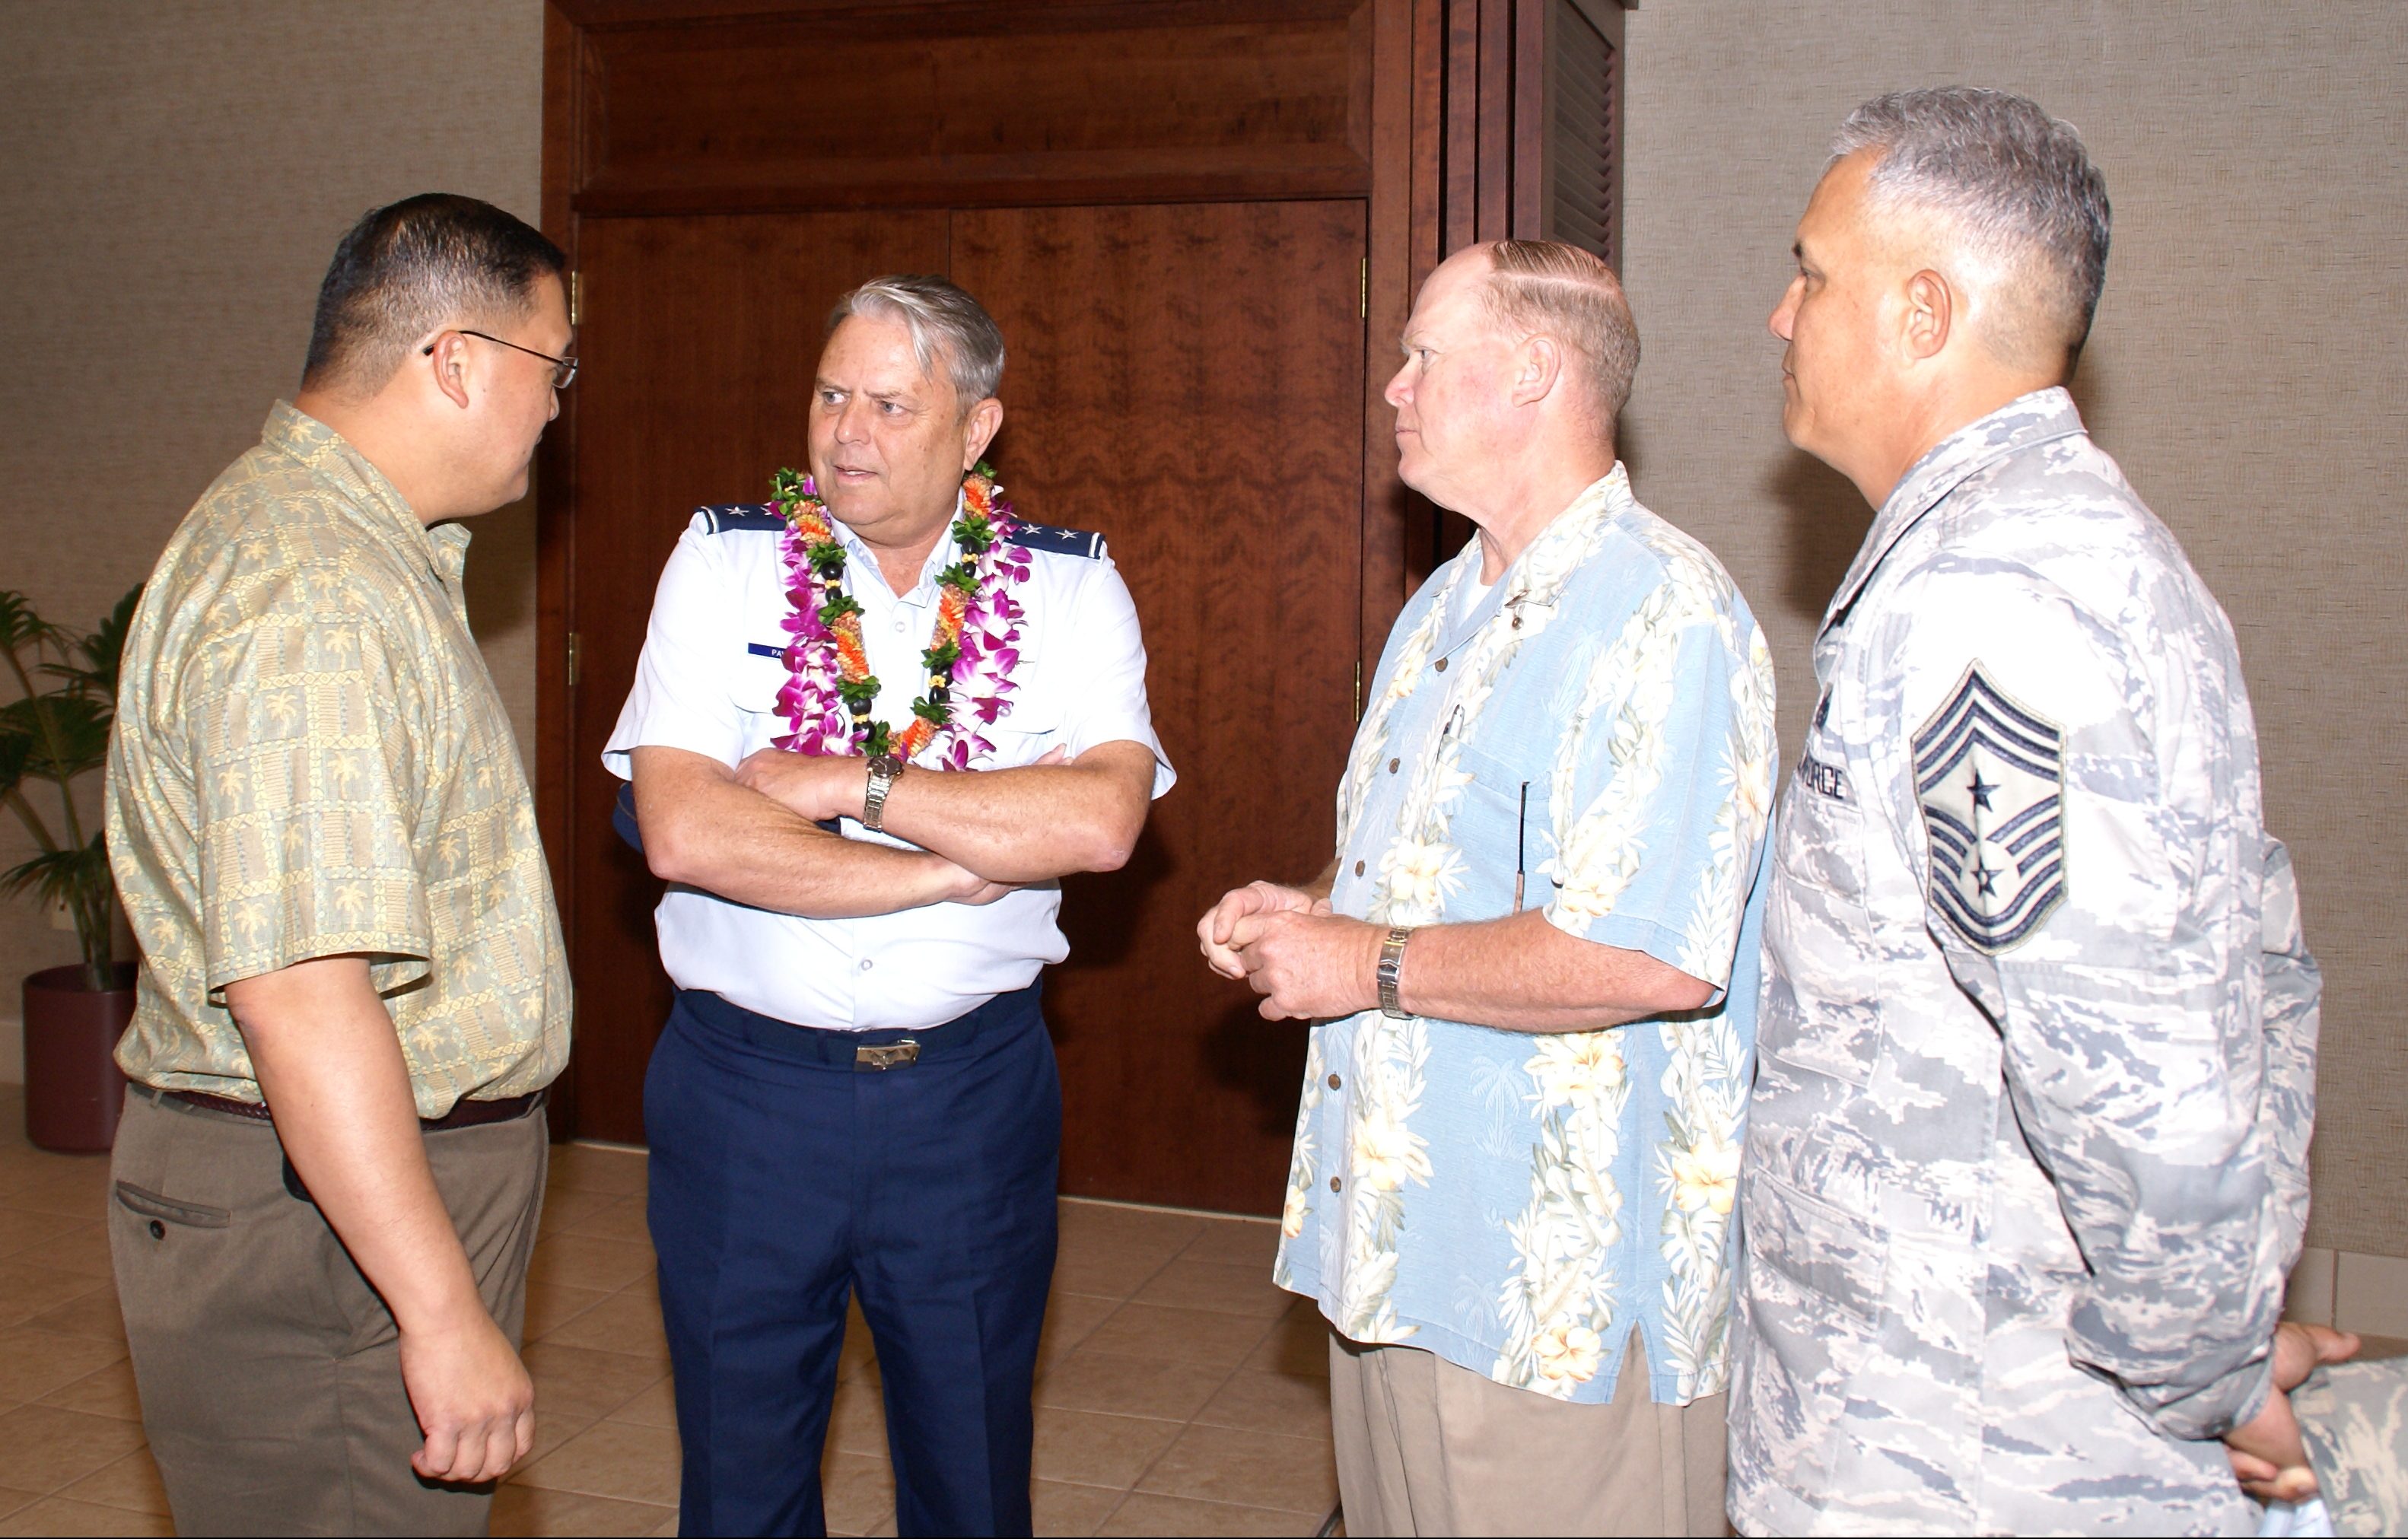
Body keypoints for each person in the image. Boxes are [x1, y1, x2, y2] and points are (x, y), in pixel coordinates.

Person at [1726, 87, 2322, 1536]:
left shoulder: (1992, 600)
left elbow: (2141, 1077)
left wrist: (2210, 1371)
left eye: (1811, 273)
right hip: (1946, 1409)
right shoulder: (2039, 554)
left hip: (1969, 1449)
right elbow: (2258, 967)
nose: (1779, 315)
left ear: (1922, 311)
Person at [1200, 239, 1778, 1537]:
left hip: (1552, 1294)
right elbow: (1426, 869)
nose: (1393, 386)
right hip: (1395, 1249)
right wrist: (1315, 910)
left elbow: (1650, 957)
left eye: (1421, 354)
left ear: (1530, 371)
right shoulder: (1444, 602)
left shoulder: (1663, 612)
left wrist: (1360, 962)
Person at [606, 274, 1172, 1537]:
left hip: (967, 1102)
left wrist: (848, 785)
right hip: (745, 1099)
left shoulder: (1067, 587)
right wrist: (947, 865)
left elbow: (1099, 822)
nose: (846, 434)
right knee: (739, 1481)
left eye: (889, 406)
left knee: (971, 1471)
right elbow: (685, 830)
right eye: (829, 397)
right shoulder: (726, 563)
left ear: (977, 429)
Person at [103, 194, 575, 1535]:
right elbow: (303, 999)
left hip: (342, 1193)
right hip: (323, 1218)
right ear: (457, 360)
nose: (556, 408)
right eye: (554, 369)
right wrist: (441, 1314)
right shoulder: (311, 592)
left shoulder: (342, 545)